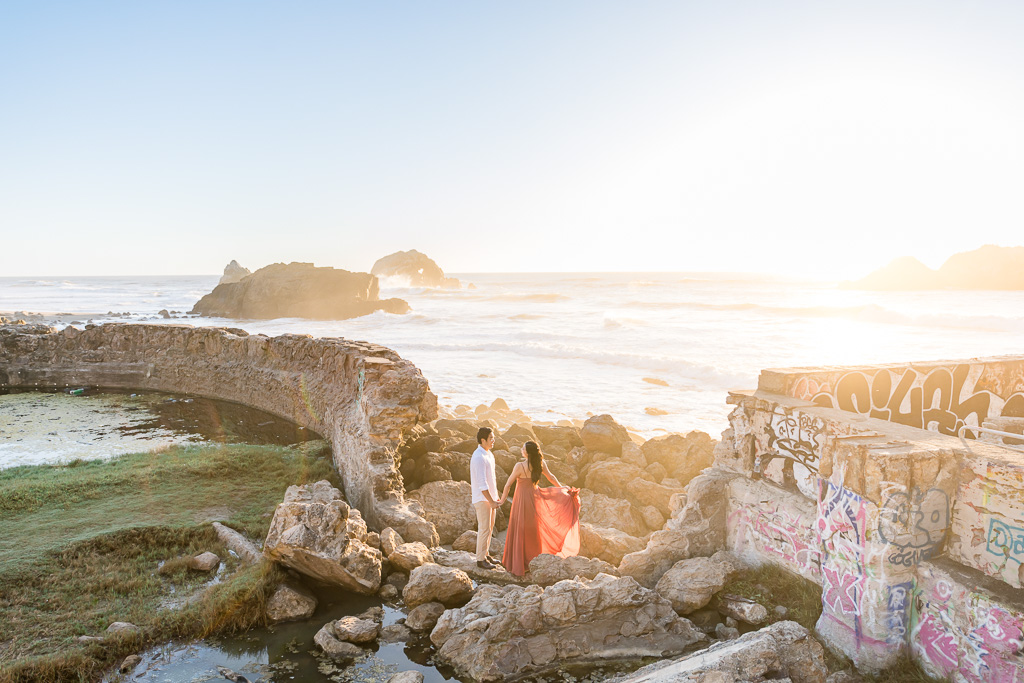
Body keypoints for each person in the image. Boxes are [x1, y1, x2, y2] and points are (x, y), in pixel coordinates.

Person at [498, 440, 580, 576]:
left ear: (527, 453)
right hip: (534, 498)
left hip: (520, 500)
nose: (521, 450)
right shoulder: (540, 464)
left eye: (523, 448)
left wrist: (501, 500)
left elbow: (507, 485)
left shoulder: (519, 466)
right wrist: (562, 490)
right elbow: (551, 477)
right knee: (533, 528)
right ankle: (532, 560)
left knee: (520, 527)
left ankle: (517, 563)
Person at [469, 426, 502, 569]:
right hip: (482, 499)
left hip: (490, 498)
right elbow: (482, 483)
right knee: (484, 528)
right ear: (483, 440)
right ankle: (480, 560)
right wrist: (491, 501)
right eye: (491, 438)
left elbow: (491, 479)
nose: (493, 440)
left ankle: (485, 554)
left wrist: (495, 498)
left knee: (489, 528)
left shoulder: (489, 454)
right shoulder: (478, 457)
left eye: (493, 438)